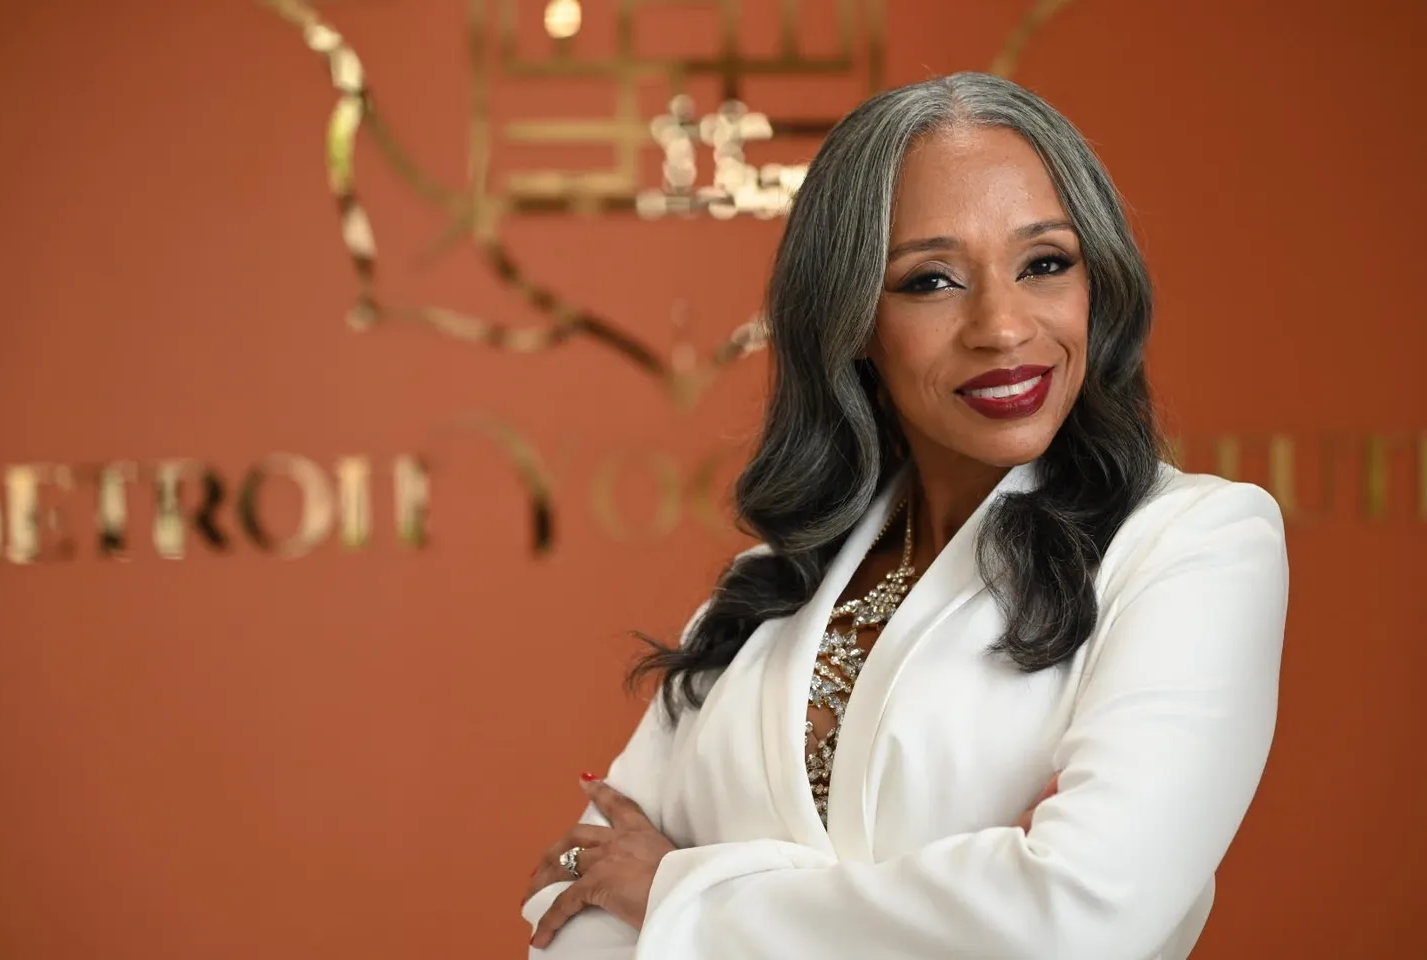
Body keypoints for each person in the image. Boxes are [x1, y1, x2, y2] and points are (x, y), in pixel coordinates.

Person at [520, 72, 1288, 960]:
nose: (1002, 327)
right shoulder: (765, 587)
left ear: (1098, 284)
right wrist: (952, 900)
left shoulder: (1193, 545)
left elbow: (1077, 916)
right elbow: (577, 905)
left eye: (1045, 263)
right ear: (851, 322)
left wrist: (681, 892)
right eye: (931, 280)